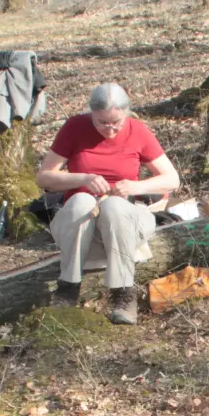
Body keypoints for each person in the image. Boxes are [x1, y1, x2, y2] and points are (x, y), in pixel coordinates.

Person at [36, 83, 180, 326]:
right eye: (102, 123)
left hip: (124, 217)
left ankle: (123, 293)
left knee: (113, 206)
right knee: (81, 200)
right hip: (80, 222)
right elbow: (44, 178)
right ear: (91, 113)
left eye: (117, 123)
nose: (110, 130)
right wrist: (83, 179)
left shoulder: (138, 131)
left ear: (126, 114)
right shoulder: (74, 128)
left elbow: (171, 180)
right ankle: (68, 286)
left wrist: (135, 187)